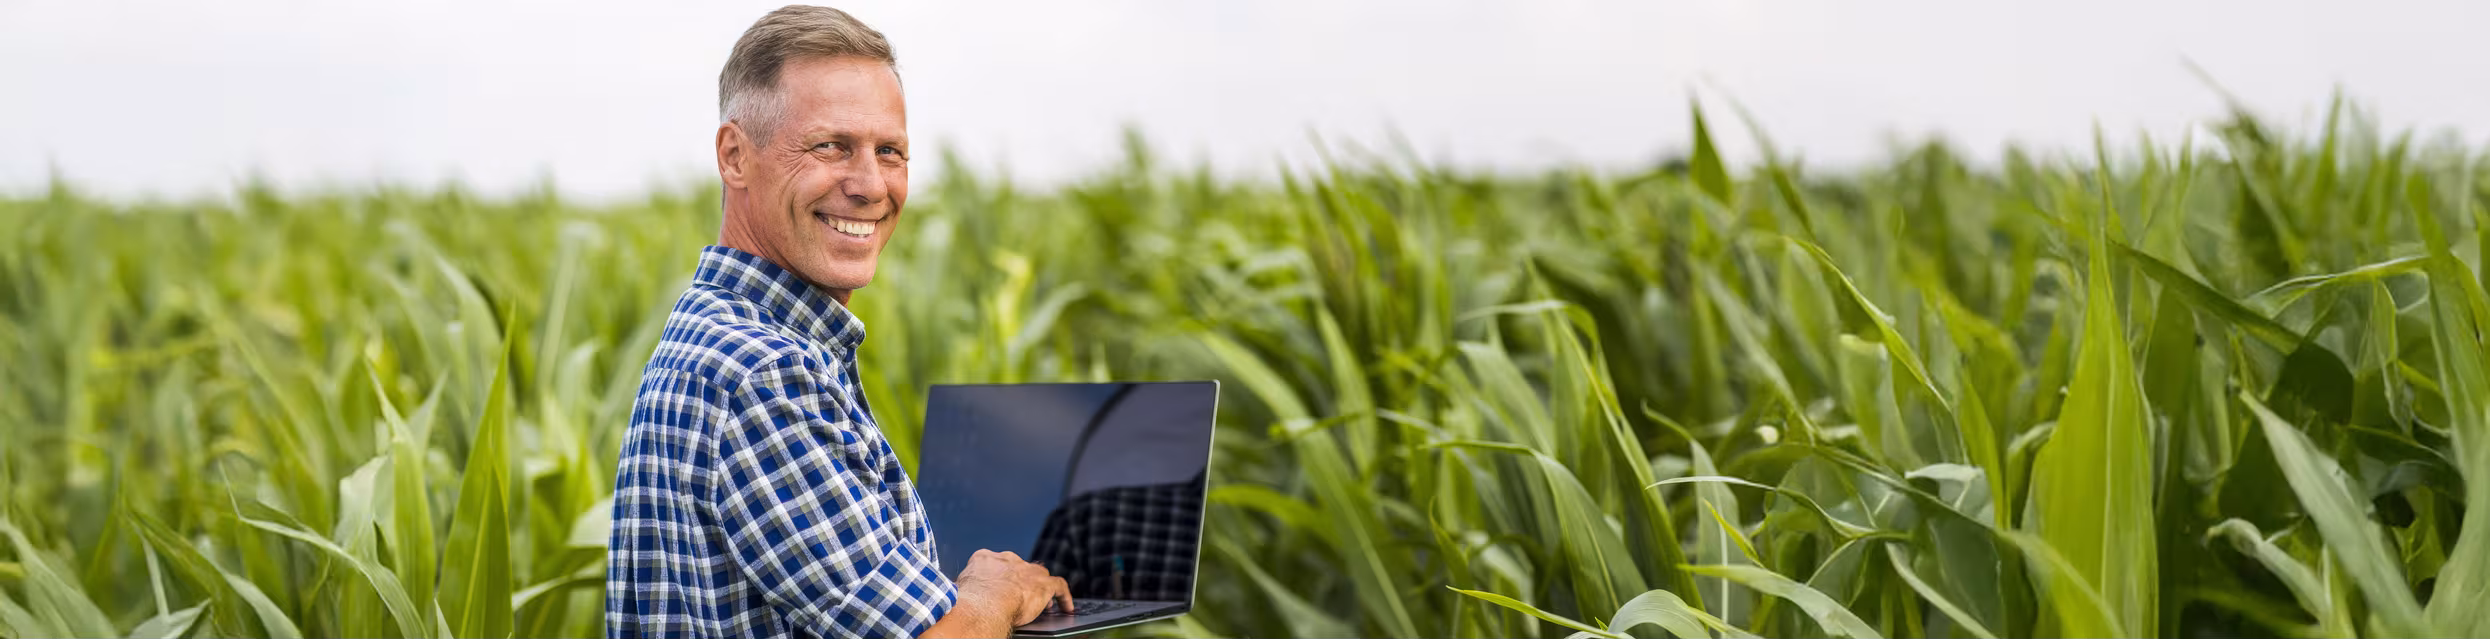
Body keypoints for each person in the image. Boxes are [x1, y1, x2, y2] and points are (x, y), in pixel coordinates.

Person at [604, 6, 1071, 637]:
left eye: (891, 151)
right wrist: (991, 596)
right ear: (735, 156)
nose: (871, 184)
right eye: (831, 146)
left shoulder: (719, 330)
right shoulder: (761, 371)